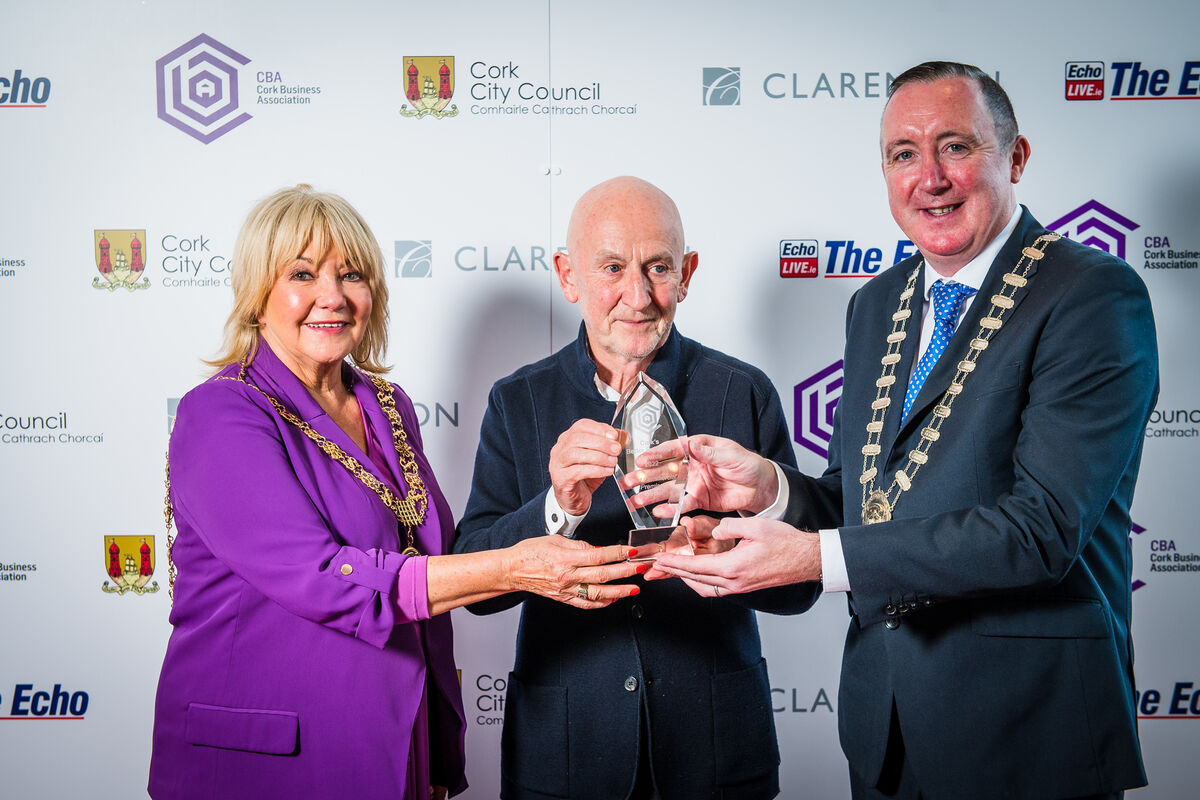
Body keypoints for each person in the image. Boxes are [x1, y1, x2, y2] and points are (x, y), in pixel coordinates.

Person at [649, 62, 1157, 800]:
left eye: (955, 146)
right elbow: (866, 506)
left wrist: (814, 558)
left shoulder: (1090, 296)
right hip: (885, 730)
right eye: (903, 155)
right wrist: (769, 490)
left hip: (1028, 736)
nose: (931, 178)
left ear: (1014, 159)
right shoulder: (876, 304)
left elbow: (1042, 530)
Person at [148, 185, 641, 800]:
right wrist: (518, 569)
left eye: (351, 274)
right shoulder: (221, 413)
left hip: (394, 745)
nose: (332, 296)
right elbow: (325, 576)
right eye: (303, 273)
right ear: (258, 294)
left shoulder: (387, 406)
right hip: (267, 757)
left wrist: (562, 503)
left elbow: (439, 553)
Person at [452, 176, 819, 800]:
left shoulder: (742, 391)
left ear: (688, 272)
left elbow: (801, 591)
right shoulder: (517, 400)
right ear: (568, 276)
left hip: (718, 751)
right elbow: (476, 590)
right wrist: (555, 507)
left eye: (657, 267)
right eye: (612, 268)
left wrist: (724, 546)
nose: (638, 295)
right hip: (564, 752)